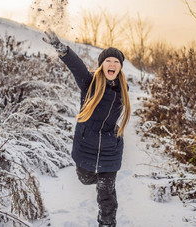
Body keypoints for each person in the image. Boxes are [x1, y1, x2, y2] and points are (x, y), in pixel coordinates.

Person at [43, 30, 131, 227]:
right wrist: (61, 49)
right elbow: (76, 66)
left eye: (116, 62)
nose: (112, 64)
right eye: (108, 60)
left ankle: (107, 223)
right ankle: (99, 182)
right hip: (86, 146)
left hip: (110, 149)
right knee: (85, 179)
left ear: (120, 68)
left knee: (107, 195)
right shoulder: (89, 83)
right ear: (101, 65)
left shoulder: (122, 90)